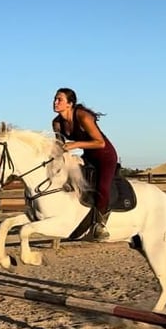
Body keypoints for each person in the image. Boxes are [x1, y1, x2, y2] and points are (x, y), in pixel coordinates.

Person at [51, 87, 118, 241]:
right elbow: (60, 146)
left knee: (101, 187)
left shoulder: (83, 116)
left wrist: (74, 145)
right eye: (55, 99)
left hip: (105, 155)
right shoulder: (56, 123)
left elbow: (100, 143)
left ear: (70, 104)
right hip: (88, 155)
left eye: (59, 99)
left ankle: (101, 226)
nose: (55, 102)